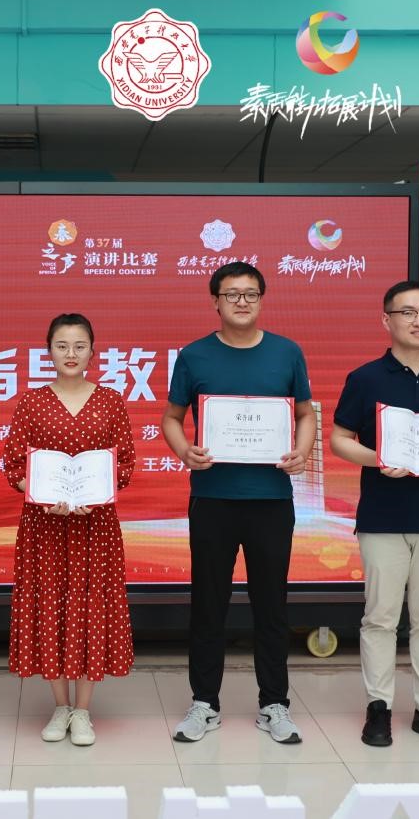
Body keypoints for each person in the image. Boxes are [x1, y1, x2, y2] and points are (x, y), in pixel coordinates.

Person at [162, 261, 317, 745]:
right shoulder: (194, 356)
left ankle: (274, 703)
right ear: (216, 301)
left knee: (272, 605)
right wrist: (184, 451)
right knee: (208, 604)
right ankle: (204, 703)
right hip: (213, 499)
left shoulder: (287, 352)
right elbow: (171, 417)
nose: (242, 302)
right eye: (232, 294)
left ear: (262, 299)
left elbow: (306, 413)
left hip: (271, 499)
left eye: (250, 293)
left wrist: (302, 452)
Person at [330, 280, 419, 750]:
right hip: (382, 516)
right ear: (386, 320)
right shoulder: (365, 378)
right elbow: (339, 439)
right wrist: (378, 459)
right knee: (380, 618)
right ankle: (379, 707)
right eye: (408, 312)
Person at [2, 314, 136, 746]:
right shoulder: (32, 402)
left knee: (90, 607)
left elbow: (125, 464)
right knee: (50, 606)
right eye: (62, 346)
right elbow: (14, 464)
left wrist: (97, 495)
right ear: (49, 352)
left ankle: (84, 710)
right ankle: (60, 706)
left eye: (79, 346)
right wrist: (39, 495)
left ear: (93, 351)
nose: (71, 354)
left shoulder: (111, 401)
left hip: (95, 526)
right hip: (44, 525)